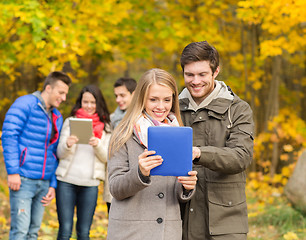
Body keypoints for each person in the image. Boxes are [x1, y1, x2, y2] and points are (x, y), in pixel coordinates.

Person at [107, 68, 198, 240]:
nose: (161, 106)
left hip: (167, 231)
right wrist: (140, 173)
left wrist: (187, 187)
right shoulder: (123, 134)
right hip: (130, 232)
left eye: (167, 100)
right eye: (153, 99)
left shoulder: (179, 133)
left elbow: (174, 191)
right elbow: (115, 188)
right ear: (142, 98)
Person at [179, 41, 254, 240]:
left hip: (226, 221)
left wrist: (200, 153)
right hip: (182, 218)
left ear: (216, 71)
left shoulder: (238, 109)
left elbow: (241, 156)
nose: (195, 81)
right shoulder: (172, 109)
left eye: (202, 74)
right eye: (189, 75)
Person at [1, 71, 71, 239]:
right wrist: (13, 172)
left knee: (33, 232)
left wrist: (52, 184)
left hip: (44, 183)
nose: (64, 98)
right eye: (60, 92)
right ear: (48, 88)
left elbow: (54, 152)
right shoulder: (25, 104)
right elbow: (9, 135)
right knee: (20, 232)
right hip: (23, 180)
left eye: (66, 94)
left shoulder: (57, 116)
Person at [55, 85, 111, 240]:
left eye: (93, 102)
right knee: (65, 230)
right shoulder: (70, 122)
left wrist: (97, 144)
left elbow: (106, 158)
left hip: (90, 184)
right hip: (66, 182)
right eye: (85, 102)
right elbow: (59, 153)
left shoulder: (105, 127)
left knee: (84, 232)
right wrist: (68, 144)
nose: (89, 106)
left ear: (98, 104)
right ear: (80, 102)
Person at [106, 77, 137, 213]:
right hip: (116, 177)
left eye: (122, 95)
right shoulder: (112, 119)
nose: (118, 100)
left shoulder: (142, 119)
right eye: (116, 96)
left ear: (134, 94)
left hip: (136, 179)